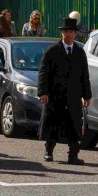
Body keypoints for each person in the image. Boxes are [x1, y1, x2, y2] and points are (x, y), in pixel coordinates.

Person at [38, 17, 91, 165]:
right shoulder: (52, 51)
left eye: (71, 32)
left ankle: (73, 155)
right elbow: (43, 73)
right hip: (55, 96)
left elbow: (84, 75)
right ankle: (48, 151)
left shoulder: (80, 53)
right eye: (65, 31)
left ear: (75, 34)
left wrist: (87, 95)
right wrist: (43, 92)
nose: (68, 34)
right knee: (52, 124)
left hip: (73, 96)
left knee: (74, 126)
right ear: (62, 33)